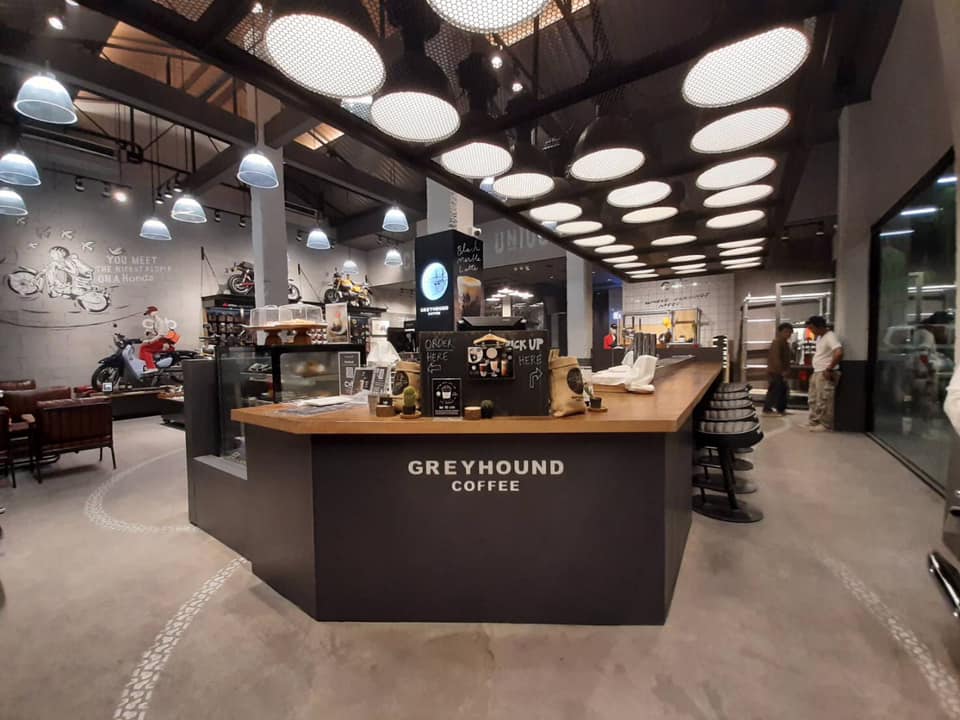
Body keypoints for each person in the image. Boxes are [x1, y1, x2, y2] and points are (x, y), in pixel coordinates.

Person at [805, 315, 843, 432]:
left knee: (824, 399)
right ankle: (814, 421)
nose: (811, 331)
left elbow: (839, 352)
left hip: (825, 372)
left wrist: (829, 369)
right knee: (813, 399)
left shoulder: (830, 336)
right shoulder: (820, 338)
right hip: (817, 371)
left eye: (812, 328)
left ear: (820, 326)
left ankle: (826, 424)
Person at [763, 322, 793, 415]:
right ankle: (768, 408)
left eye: (790, 332)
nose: (788, 334)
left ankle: (780, 408)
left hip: (781, 371)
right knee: (775, 390)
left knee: (782, 390)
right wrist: (782, 371)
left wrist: (787, 370)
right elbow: (776, 358)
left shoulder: (785, 343)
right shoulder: (777, 342)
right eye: (786, 331)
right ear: (780, 332)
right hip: (775, 371)